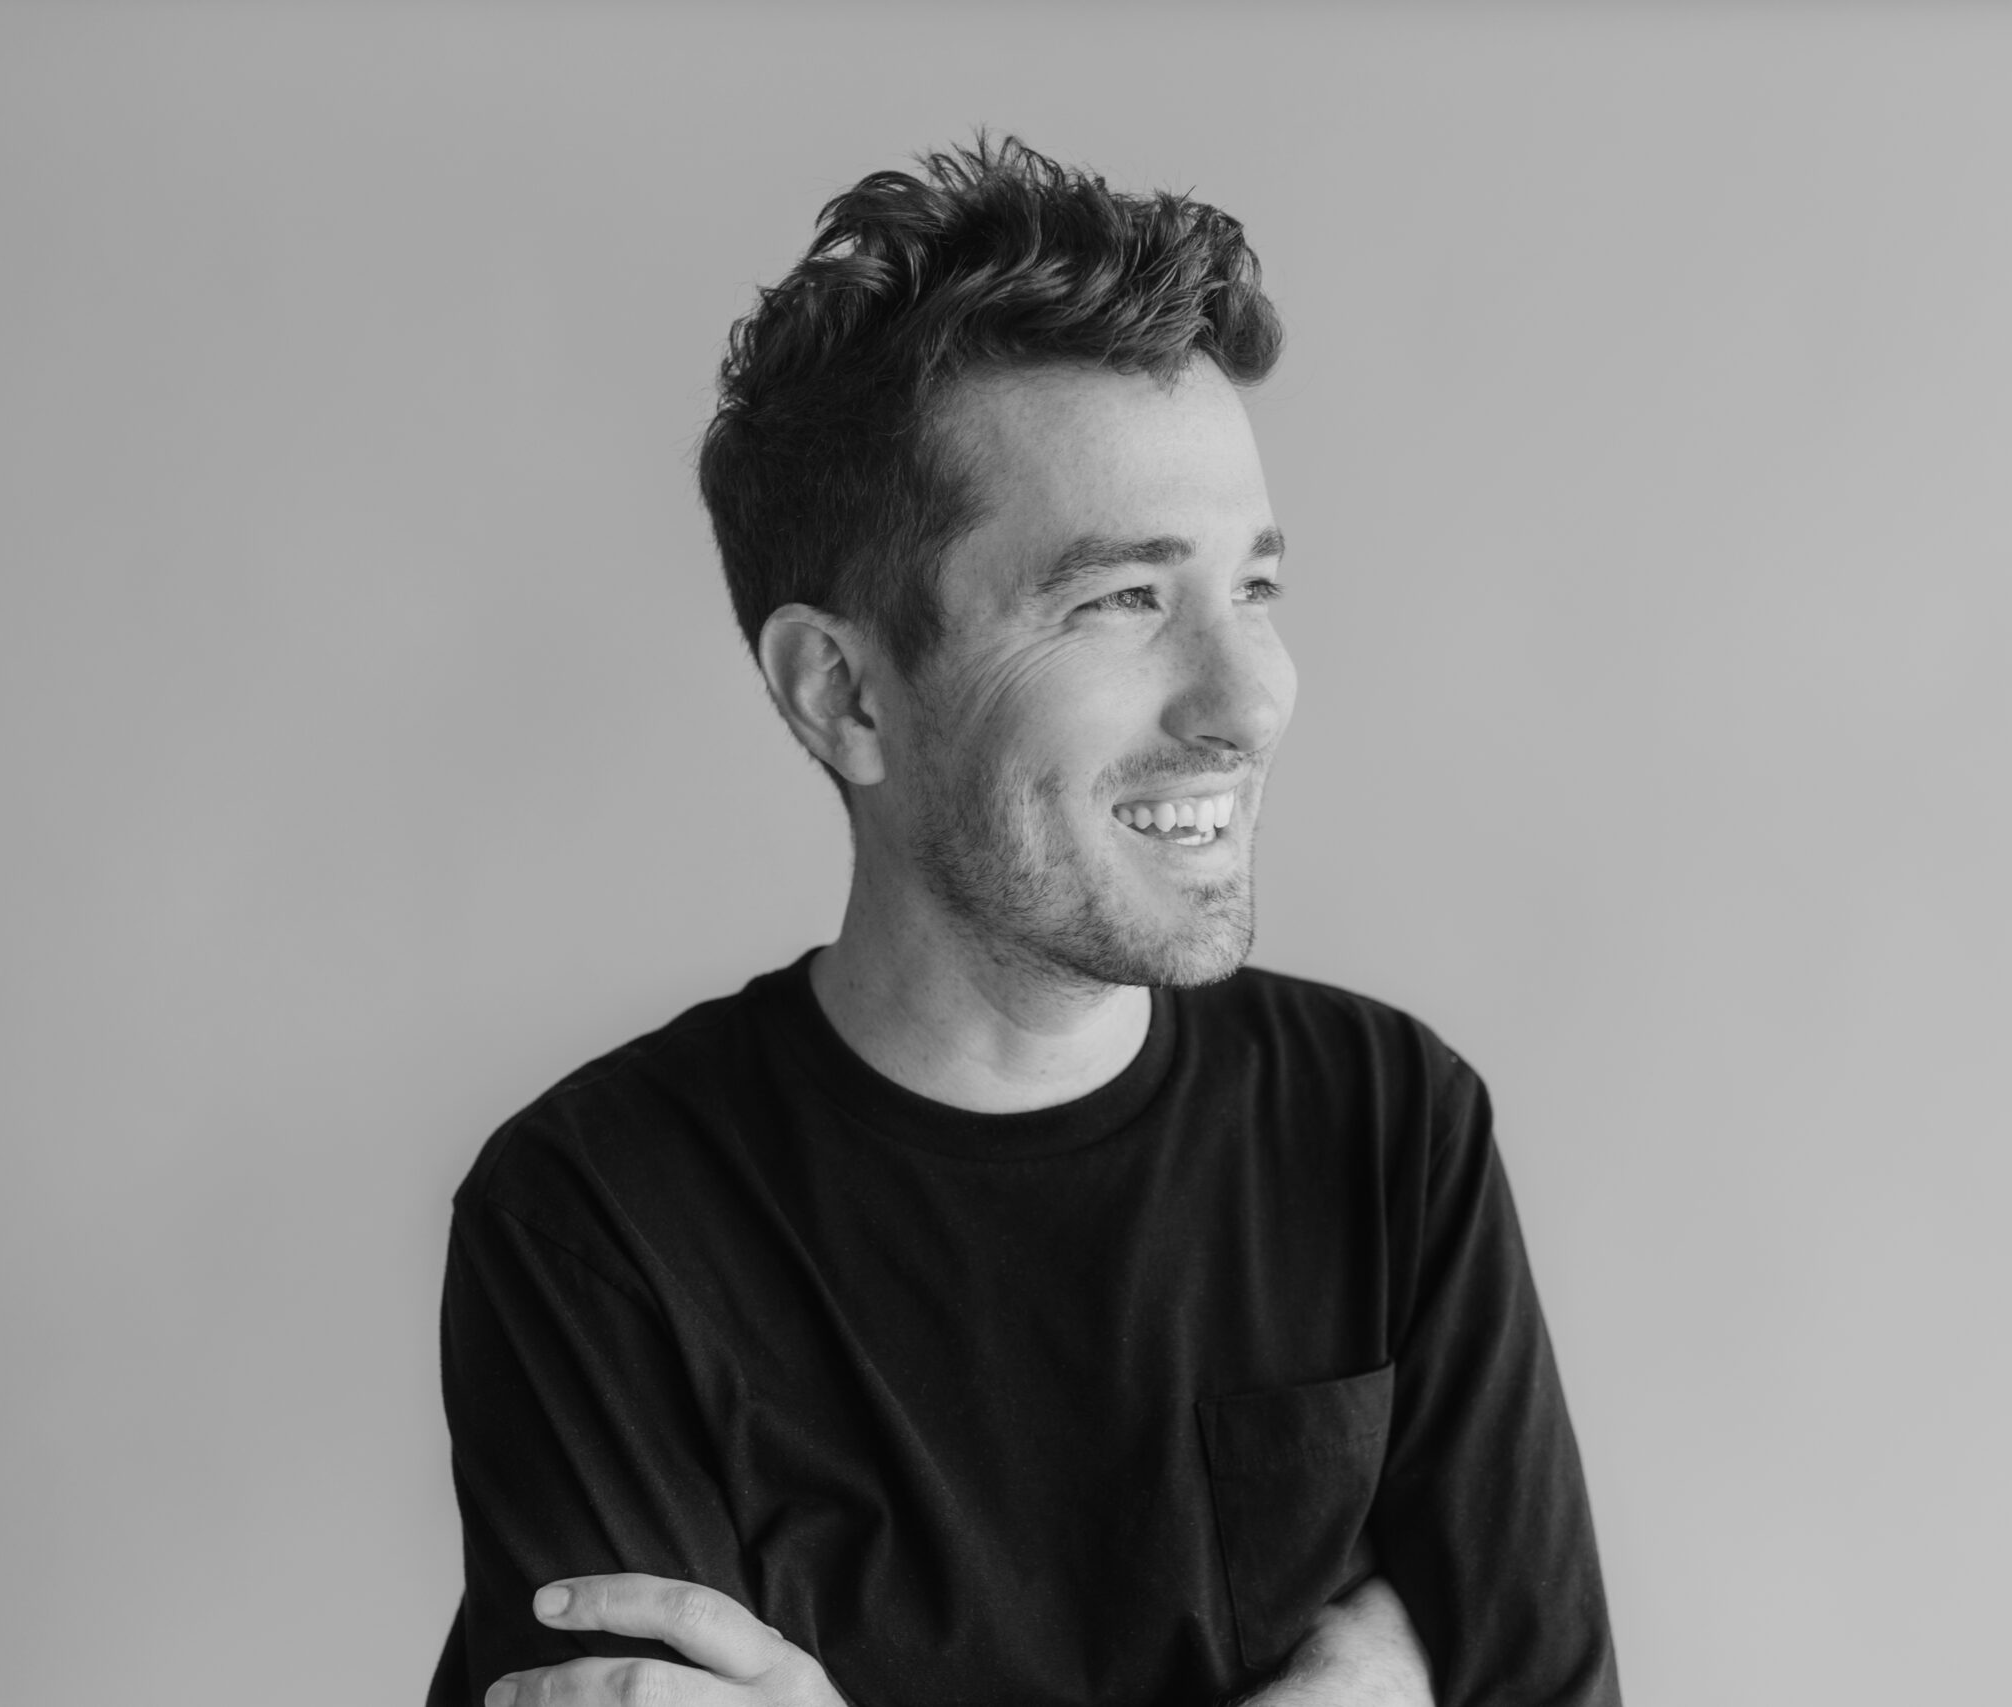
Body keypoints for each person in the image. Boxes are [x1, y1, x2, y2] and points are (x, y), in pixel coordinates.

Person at [428, 137, 1620, 1707]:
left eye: (1253, 587)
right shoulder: (598, 1224)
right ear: (844, 693)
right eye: (1121, 600)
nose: (1252, 697)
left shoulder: (1389, 1131)